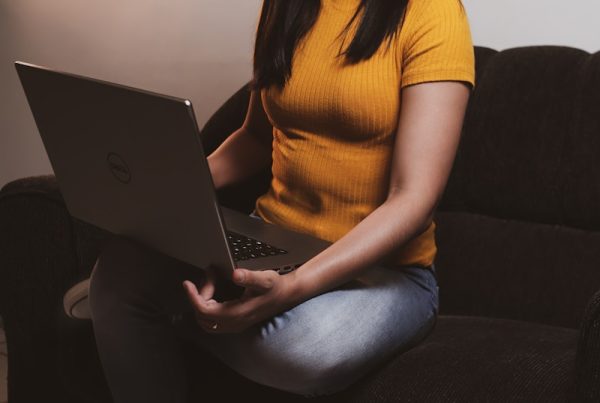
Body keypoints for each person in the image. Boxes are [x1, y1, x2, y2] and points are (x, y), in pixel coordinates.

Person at [88, 0, 475, 401]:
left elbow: (413, 199)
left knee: (301, 350)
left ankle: (171, 316)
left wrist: (293, 287)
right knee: (116, 277)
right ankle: (179, 312)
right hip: (271, 242)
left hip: (384, 274)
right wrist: (172, 184)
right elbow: (255, 138)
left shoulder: (434, 12)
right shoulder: (284, 5)